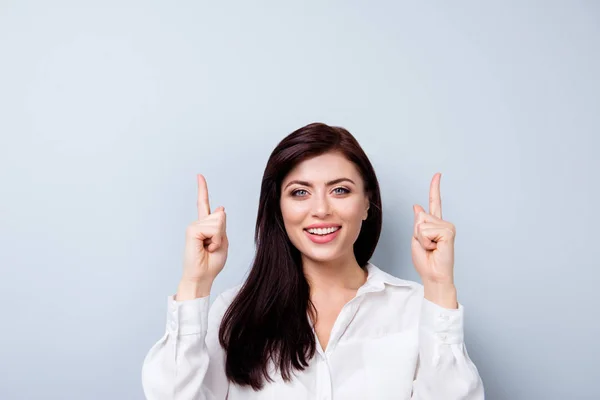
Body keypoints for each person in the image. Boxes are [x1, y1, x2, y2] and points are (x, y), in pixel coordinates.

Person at [141, 122, 485, 399]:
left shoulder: (414, 308)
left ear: (367, 204)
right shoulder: (234, 311)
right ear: (278, 208)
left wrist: (440, 287)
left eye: (340, 190)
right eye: (300, 192)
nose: (320, 209)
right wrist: (195, 284)